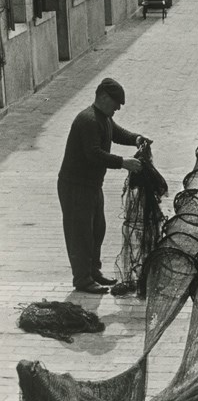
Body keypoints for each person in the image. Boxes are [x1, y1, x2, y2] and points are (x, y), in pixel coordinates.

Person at [58, 78, 149, 294]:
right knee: (80, 233)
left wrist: (136, 139)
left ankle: (93, 272)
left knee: (97, 229)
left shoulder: (104, 117)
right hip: (75, 186)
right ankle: (82, 279)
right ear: (104, 97)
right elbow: (93, 154)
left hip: (91, 185)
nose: (118, 108)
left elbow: (117, 133)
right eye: (116, 103)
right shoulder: (88, 120)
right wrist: (123, 162)